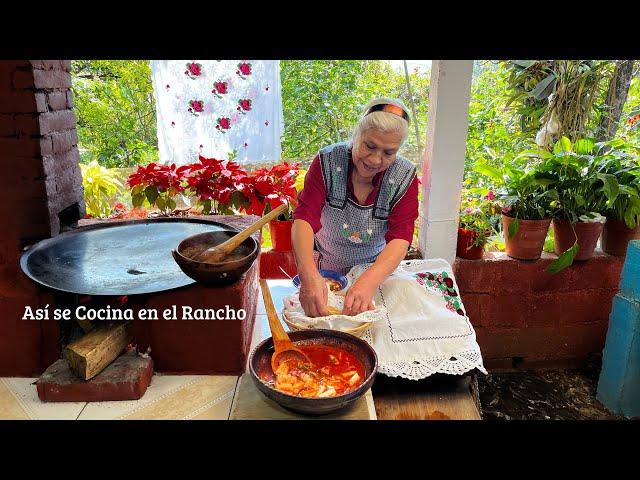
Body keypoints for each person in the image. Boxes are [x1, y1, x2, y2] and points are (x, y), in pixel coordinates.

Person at [292, 97, 419, 318]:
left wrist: (368, 282)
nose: (375, 160)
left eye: (388, 152)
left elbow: (401, 237)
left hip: (376, 271)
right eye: (369, 146)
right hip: (324, 269)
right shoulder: (327, 161)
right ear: (356, 135)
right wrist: (309, 276)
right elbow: (304, 217)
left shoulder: (404, 176)